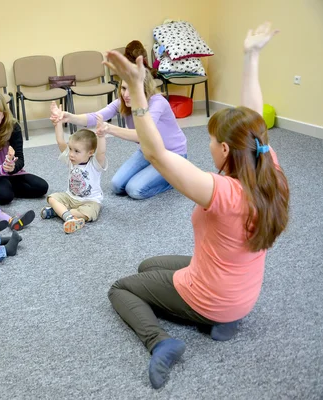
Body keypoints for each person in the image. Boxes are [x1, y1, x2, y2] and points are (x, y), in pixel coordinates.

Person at [105, 23, 289, 389]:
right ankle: (222, 321)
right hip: (242, 295)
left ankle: (162, 342)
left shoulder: (221, 191)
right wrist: (251, 55)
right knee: (149, 265)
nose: (207, 145)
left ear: (224, 150)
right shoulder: (269, 169)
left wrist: (138, 89)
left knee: (121, 288)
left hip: (212, 298)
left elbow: (156, 154)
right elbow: (252, 119)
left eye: (210, 140)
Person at [50, 41, 187, 200]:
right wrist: (69, 116)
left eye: (131, 89)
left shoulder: (157, 102)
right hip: (147, 152)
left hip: (171, 155)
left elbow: (141, 135)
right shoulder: (123, 102)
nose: (126, 94)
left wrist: (109, 129)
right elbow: (96, 117)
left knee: (134, 190)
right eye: (123, 88)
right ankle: (156, 171)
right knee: (116, 185)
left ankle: (174, 178)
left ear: (143, 89)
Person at [42, 102, 108, 234]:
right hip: (70, 197)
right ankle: (68, 216)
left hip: (90, 201)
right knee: (52, 198)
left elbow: (101, 152)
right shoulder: (71, 160)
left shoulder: (95, 164)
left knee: (90, 214)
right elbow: (61, 141)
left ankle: (61, 212)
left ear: (90, 152)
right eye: (70, 149)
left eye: (77, 151)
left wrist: (101, 136)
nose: (71, 154)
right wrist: (58, 123)